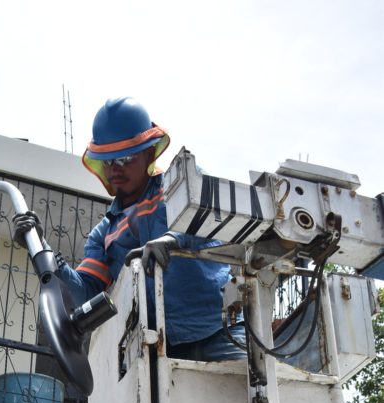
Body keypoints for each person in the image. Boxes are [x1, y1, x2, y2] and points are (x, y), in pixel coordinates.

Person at [15, 96, 245, 362]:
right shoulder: (103, 234)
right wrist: (40, 250)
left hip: (218, 333)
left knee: (252, 395)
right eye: (107, 161)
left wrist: (171, 240)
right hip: (157, 348)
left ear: (149, 152)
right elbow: (86, 292)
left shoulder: (180, 184)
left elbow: (208, 217)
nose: (115, 169)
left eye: (124, 158)